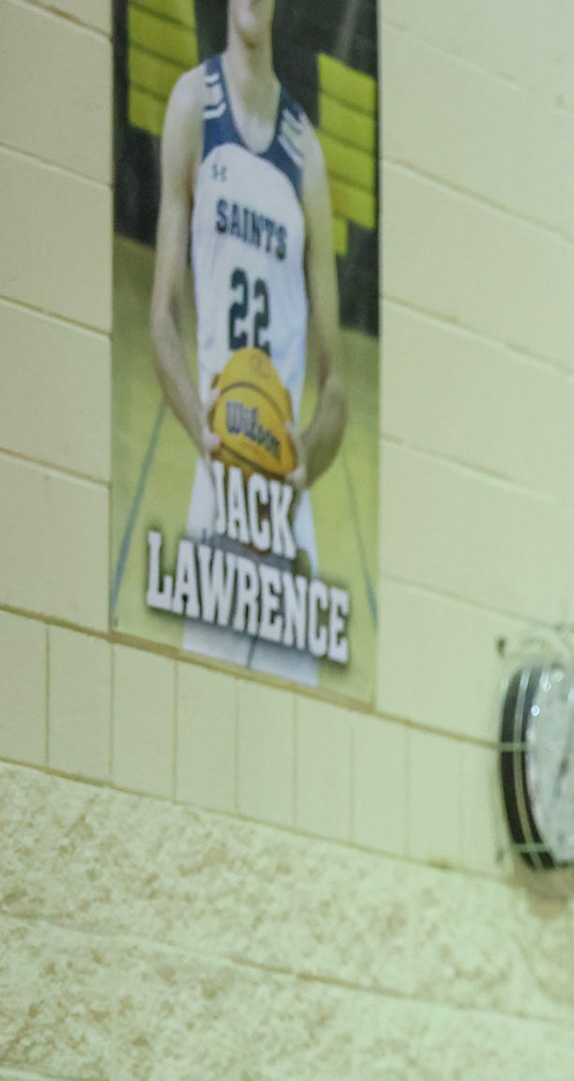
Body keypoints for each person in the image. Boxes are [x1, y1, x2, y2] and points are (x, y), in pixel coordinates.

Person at [150, 0, 346, 684]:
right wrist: (206, 436)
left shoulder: (306, 154)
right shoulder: (193, 108)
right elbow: (160, 324)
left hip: (284, 498)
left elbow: (338, 388)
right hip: (220, 473)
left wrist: (303, 471)